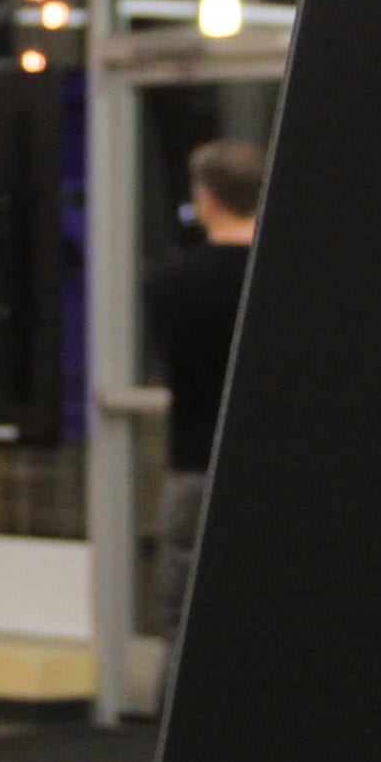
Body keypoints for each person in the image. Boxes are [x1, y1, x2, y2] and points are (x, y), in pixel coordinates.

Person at [143, 136, 264, 692]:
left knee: (183, 622)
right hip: (270, 474)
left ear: (208, 199)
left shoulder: (170, 284)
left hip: (193, 465)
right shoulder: (285, 280)